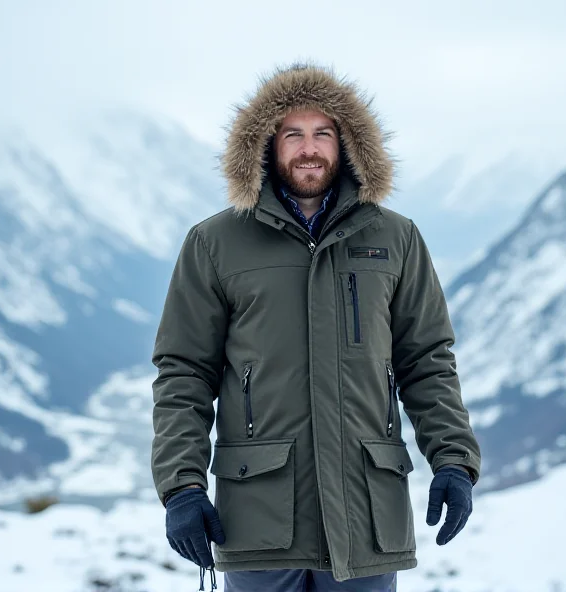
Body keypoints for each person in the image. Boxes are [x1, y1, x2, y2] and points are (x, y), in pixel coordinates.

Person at [151, 63, 482, 592]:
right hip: (258, 518)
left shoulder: (395, 239)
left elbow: (428, 363)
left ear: (347, 143)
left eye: (323, 133)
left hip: (365, 519)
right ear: (267, 145)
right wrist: (181, 487)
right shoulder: (215, 244)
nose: (310, 148)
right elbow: (183, 374)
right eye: (294, 134)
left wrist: (455, 461)